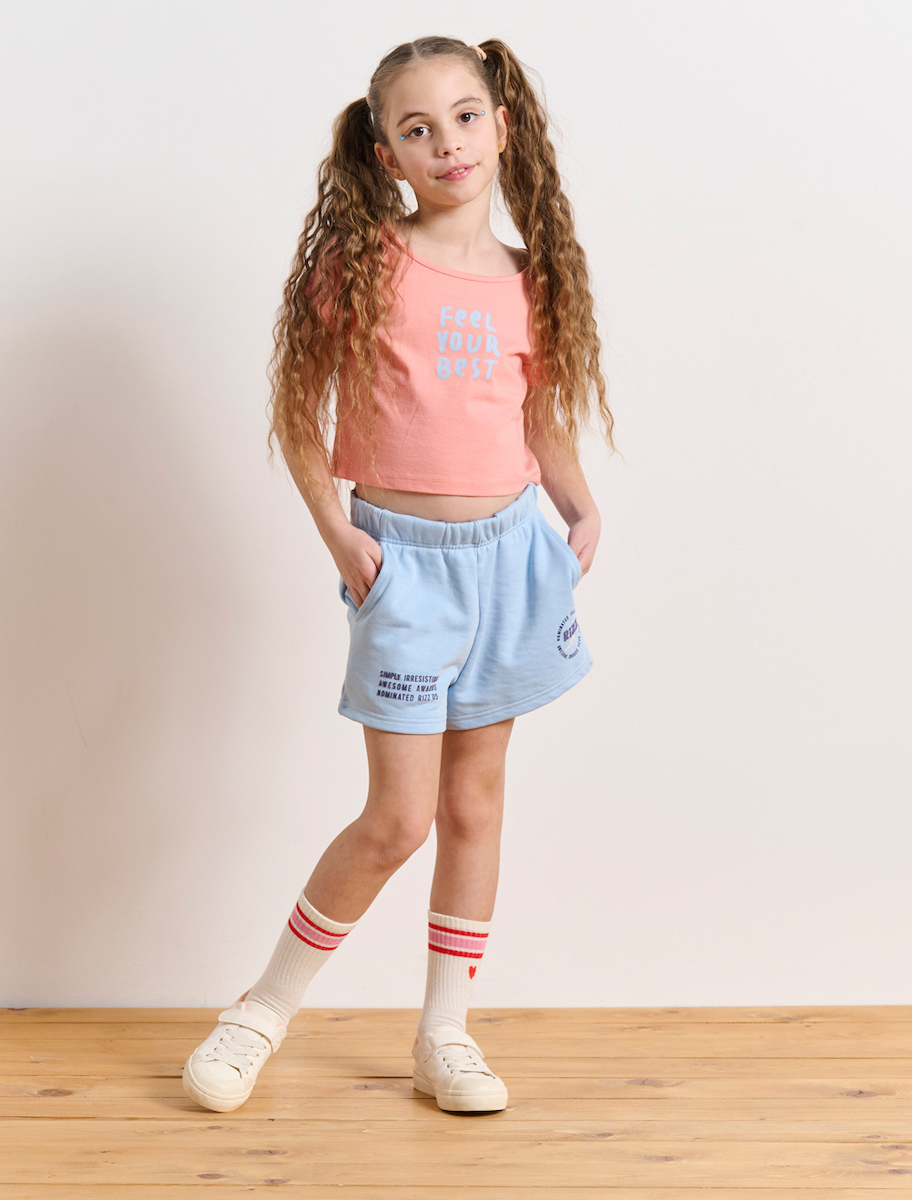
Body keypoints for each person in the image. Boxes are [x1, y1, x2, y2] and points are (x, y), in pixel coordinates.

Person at [182, 35, 614, 1117]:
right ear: (388, 154)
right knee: (397, 818)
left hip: (512, 561)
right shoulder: (367, 264)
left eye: (465, 117)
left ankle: (445, 1034)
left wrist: (579, 503)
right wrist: (338, 532)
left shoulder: (530, 280)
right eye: (419, 129)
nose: (448, 142)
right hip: (405, 571)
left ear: (501, 127)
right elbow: (299, 410)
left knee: (474, 803)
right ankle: (260, 1011)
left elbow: (536, 418)